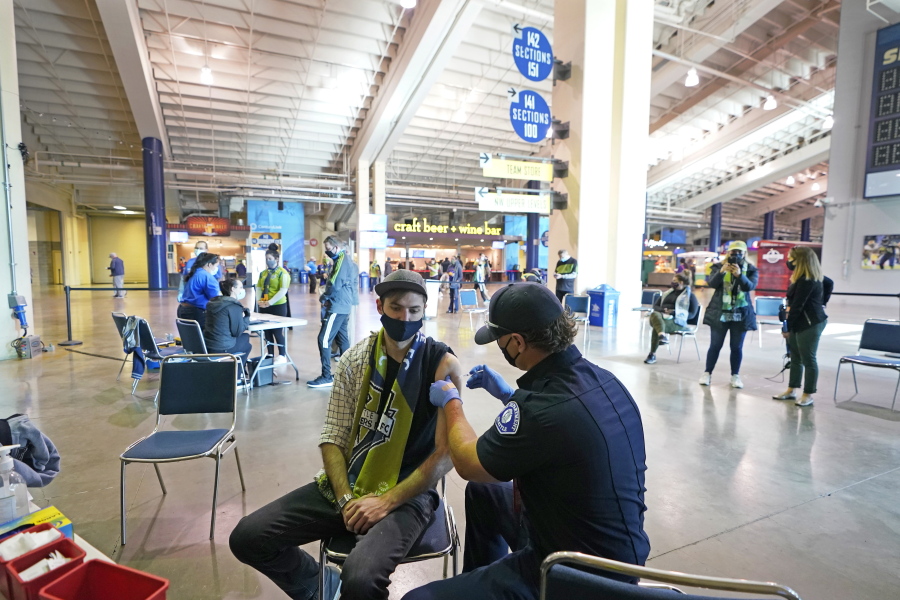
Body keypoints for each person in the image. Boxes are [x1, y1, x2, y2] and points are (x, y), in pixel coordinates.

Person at [407, 283, 650, 600]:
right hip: (618, 557)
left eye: (500, 340)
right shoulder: (602, 379)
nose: (500, 347)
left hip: (574, 575)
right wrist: (510, 395)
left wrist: (451, 401)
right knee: (488, 492)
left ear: (517, 342)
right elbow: (556, 427)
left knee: (417, 599)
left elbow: (469, 462)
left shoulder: (539, 412)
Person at [230, 269, 462, 600]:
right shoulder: (355, 359)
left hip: (409, 493)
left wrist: (385, 501)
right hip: (351, 481)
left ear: (425, 310)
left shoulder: (442, 364)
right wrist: (346, 499)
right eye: (396, 308)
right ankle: (319, 585)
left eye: (414, 310)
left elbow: (446, 452)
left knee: (361, 578)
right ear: (380, 305)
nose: (405, 318)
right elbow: (334, 436)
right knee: (248, 536)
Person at [772, 247, 833, 407]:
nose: (788, 262)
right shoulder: (802, 277)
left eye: (791, 258)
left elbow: (797, 306)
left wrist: (786, 328)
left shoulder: (808, 280)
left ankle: (808, 393)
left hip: (810, 322)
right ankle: (791, 389)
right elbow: (829, 282)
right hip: (800, 321)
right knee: (796, 358)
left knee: (808, 358)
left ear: (801, 260)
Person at [699, 241, 758, 389]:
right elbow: (711, 284)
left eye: (739, 252)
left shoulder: (751, 269)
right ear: (728, 253)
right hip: (720, 312)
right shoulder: (718, 266)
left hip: (741, 313)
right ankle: (707, 373)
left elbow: (749, 287)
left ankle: (735, 376)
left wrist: (739, 275)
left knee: (736, 347)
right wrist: (721, 272)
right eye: (733, 252)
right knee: (715, 345)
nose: (736, 255)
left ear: (745, 253)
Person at [308, 236, 358, 388]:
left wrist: (324, 296)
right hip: (345, 304)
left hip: (338, 305)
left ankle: (326, 376)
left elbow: (335, 284)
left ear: (337, 247)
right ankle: (348, 374)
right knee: (343, 339)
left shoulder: (342, 261)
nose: (327, 252)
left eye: (329, 249)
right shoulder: (346, 261)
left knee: (323, 339)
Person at [644, 271, 699, 364]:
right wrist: (663, 310)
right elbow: (655, 306)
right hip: (662, 316)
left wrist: (674, 313)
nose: (672, 282)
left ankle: (653, 353)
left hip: (677, 321)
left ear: (681, 282)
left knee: (657, 327)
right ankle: (662, 336)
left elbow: (692, 314)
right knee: (655, 314)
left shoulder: (690, 296)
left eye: (674, 280)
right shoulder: (668, 293)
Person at [204, 278, 252, 363]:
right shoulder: (233, 306)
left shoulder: (213, 303)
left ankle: (235, 369)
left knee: (244, 338)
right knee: (247, 343)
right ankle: (237, 373)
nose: (242, 290)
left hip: (208, 345)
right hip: (223, 347)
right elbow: (237, 332)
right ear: (233, 289)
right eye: (240, 287)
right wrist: (247, 317)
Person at [256, 248, 291, 364]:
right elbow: (259, 288)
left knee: (277, 331)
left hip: (278, 305)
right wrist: (261, 301)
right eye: (266, 259)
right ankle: (270, 353)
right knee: (267, 331)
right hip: (265, 305)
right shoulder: (263, 273)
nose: (268, 261)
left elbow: (283, 290)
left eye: (270, 259)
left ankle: (282, 355)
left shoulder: (283, 273)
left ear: (276, 259)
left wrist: (270, 302)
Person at [178, 252, 222, 329]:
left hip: (183, 310)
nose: (217, 269)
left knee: (189, 337)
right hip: (197, 313)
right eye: (216, 266)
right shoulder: (207, 277)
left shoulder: (195, 273)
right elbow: (216, 299)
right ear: (209, 265)